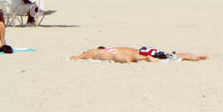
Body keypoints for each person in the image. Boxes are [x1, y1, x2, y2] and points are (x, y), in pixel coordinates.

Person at [70, 46, 208, 62]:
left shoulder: (92, 53)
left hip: (141, 54)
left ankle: (195, 57)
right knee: (170, 54)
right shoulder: (113, 49)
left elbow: (78, 57)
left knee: (169, 56)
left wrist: (76, 57)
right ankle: (196, 57)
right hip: (142, 50)